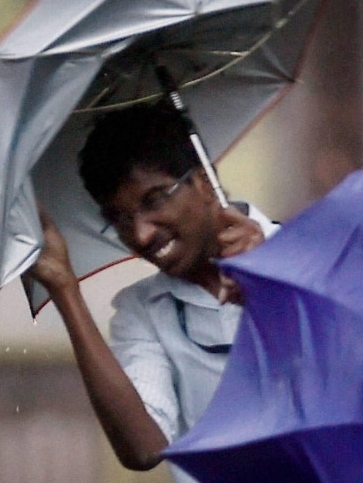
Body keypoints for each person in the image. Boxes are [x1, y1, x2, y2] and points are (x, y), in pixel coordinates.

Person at [30, 103, 274, 483]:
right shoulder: (142, 311)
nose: (141, 235)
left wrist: (280, 284)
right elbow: (143, 449)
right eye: (120, 219)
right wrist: (65, 289)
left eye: (154, 200)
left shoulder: (310, 253)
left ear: (204, 182)